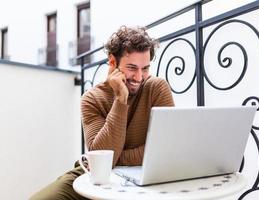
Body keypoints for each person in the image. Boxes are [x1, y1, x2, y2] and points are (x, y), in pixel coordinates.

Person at [29, 25, 175, 200]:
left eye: (145, 68)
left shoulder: (157, 88)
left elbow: (166, 150)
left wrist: (113, 158)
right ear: (113, 62)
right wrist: (121, 99)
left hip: (142, 174)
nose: (139, 77)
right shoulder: (91, 99)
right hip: (94, 175)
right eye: (132, 68)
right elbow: (100, 157)